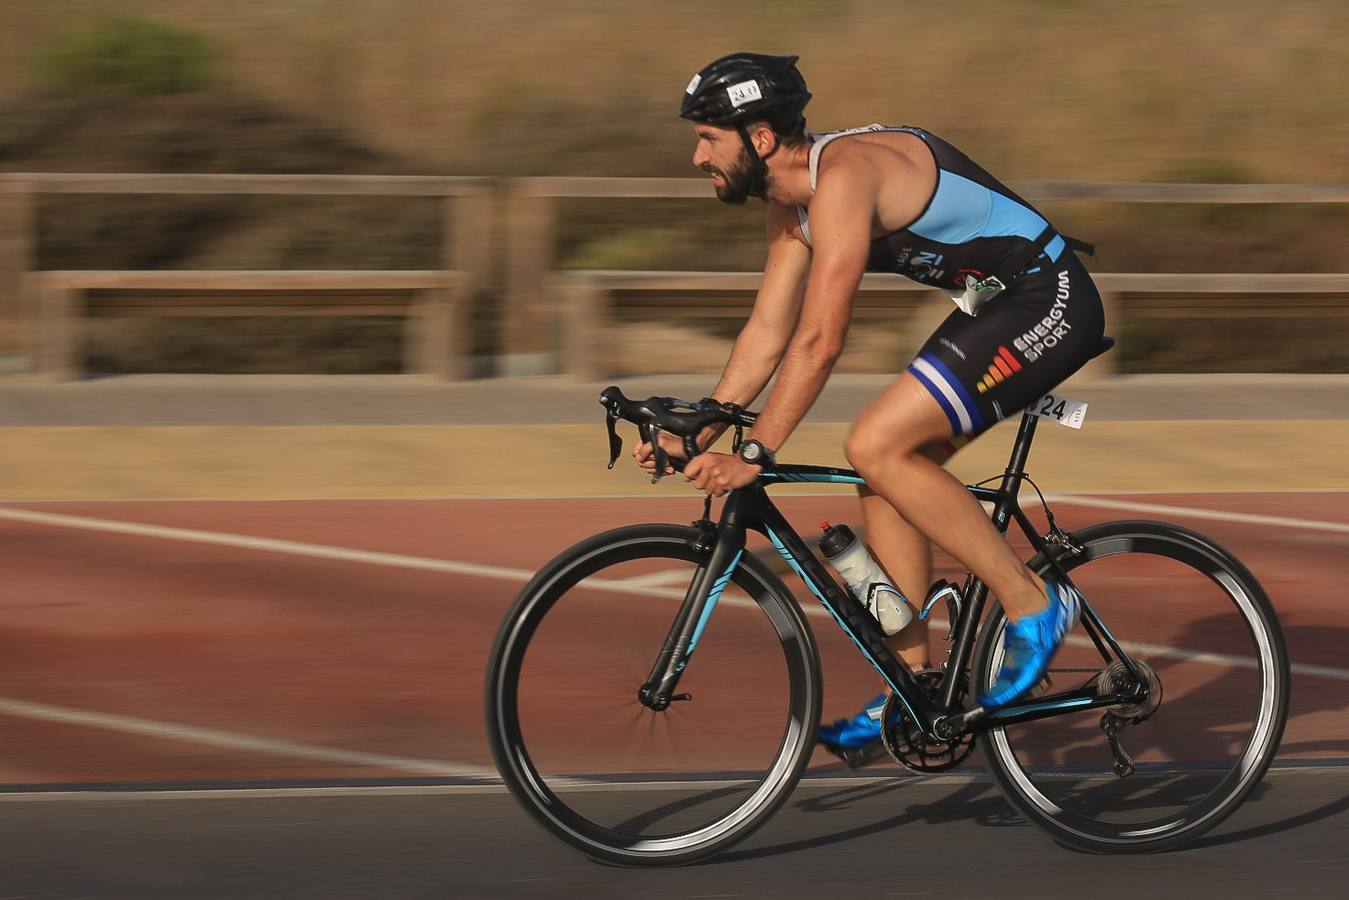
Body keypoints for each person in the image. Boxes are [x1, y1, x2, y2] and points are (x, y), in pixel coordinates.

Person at [634, 52, 1104, 756]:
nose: (696, 155)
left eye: (708, 138)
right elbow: (768, 330)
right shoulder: (788, 204)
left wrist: (756, 453)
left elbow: (820, 338)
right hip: (992, 305)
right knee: (884, 474)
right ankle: (911, 686)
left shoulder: (843, 178)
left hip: (1048, 297)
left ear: (760, 138)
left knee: (876, 443)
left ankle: (1035, 604)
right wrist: (704, 422)